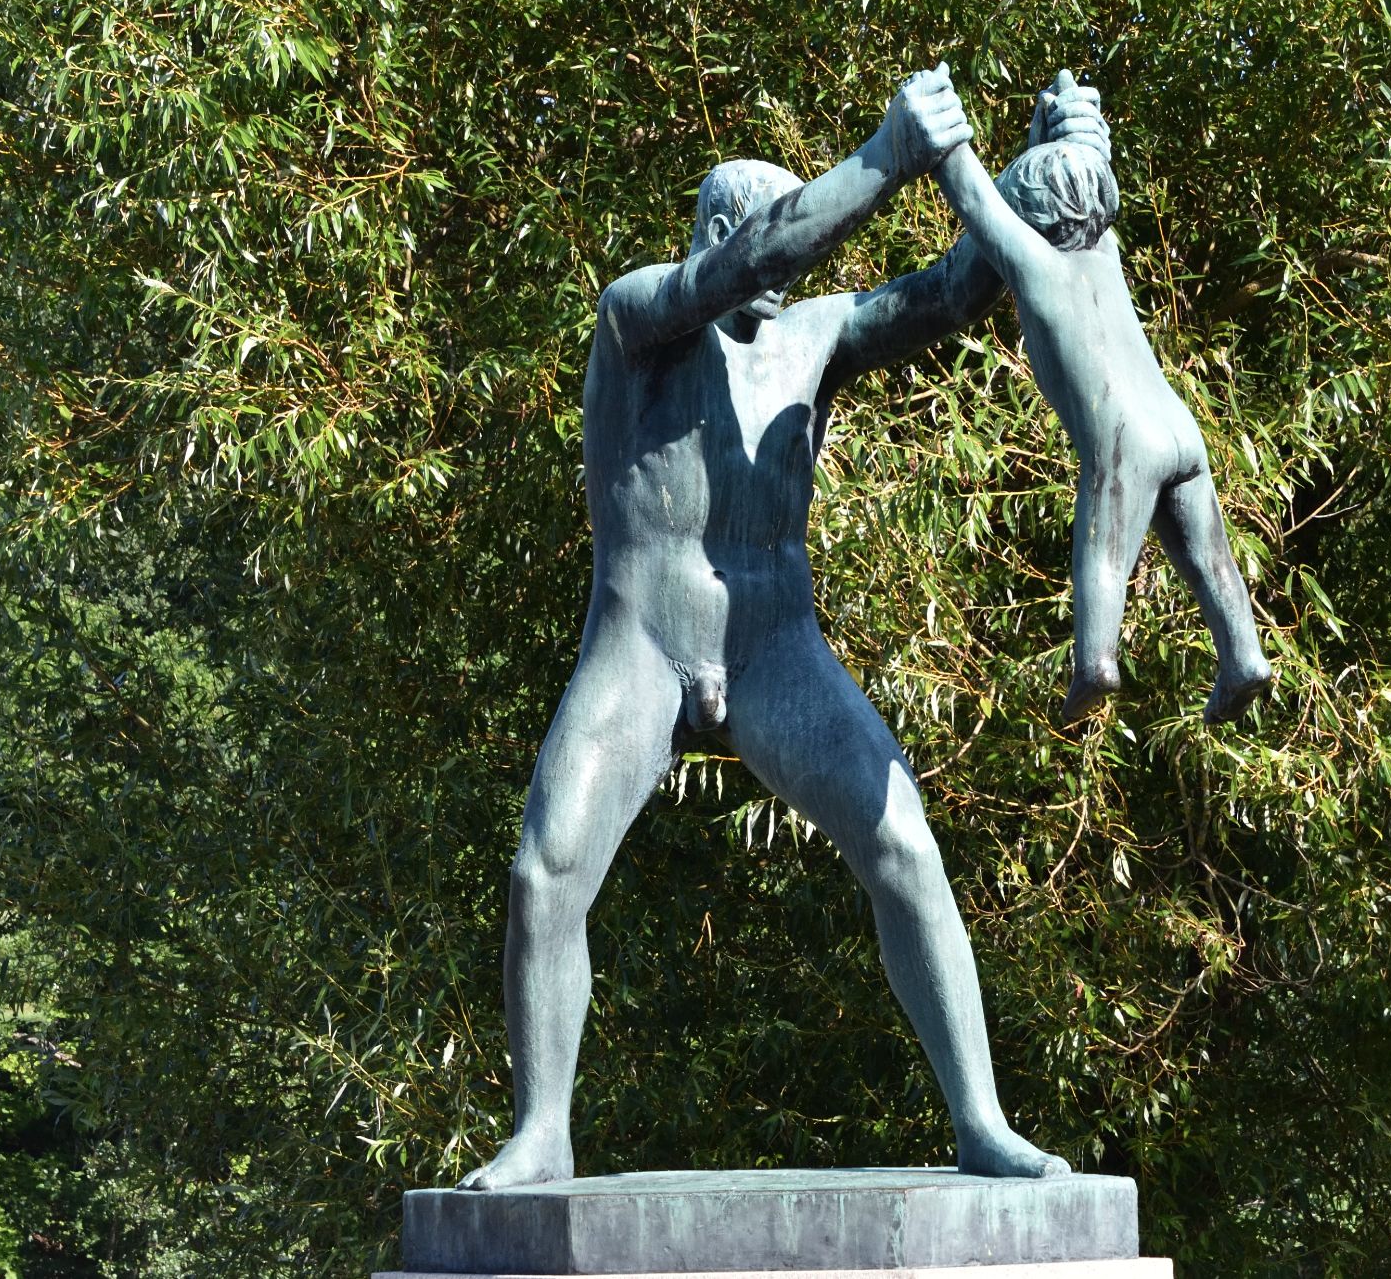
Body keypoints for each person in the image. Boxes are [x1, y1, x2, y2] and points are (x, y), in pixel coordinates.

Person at [458, 65, 1111, 1190]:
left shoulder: (814, 338)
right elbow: (753, 260)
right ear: (714, 230)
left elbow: (958, 288)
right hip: (641, 645)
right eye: (750, 227)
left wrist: (1046, 171)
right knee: (543, 871)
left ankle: (980, 1120)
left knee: (903, 844)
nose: (773, 252)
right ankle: (542, 1130)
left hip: (774, 647)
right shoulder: (640, 317)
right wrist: (882, 153)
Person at [934, 81, 1272, 725]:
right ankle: (1242, 655)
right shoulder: (1106, 251)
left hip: (1124, 440)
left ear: (1031, 214)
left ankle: (1094, 660)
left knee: (1104, 549)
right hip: (1180, 429)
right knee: (1207, 557)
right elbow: (1087, 165)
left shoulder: (1037, 265)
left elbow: (975, 198)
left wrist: (941, 133)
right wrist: (1065, 130)